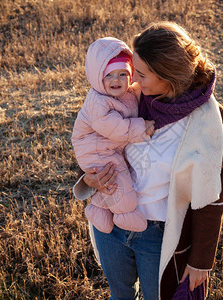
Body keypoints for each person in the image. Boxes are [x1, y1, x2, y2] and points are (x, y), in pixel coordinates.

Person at [73, 22, 223, 300]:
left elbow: (212, 198)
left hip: (158, 236)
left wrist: (200, 262)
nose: (133, 80)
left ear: (167, 75)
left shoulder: (208, 119)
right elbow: (95, 142)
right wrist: (88, 179)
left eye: (142, 74)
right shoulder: (133, 99)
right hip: (112, 225)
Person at [71, 37, 155, 234]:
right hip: (94, 149)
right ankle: (126, 214)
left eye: (123, 74)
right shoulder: (97, 102)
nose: (116, 80)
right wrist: (141, 128)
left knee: (107, 182)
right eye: (109, 75)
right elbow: (114, 128)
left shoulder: (125, 93)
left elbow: (136, 93)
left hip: (105, 147)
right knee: (117, 178)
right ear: (97, 77)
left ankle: (98, 210)